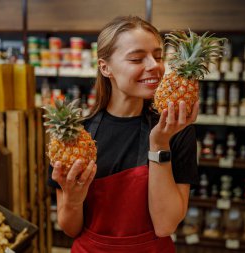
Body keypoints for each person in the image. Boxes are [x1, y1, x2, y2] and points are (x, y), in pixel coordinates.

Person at [48, 15, 199, 253]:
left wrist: (159, 143)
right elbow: (70, 229)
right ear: (105, 67)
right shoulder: (75, 137)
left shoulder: (176, 131)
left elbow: (165, 225)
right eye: (137, 58)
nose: (154, 66)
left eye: (158, 56)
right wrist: (74, 200)